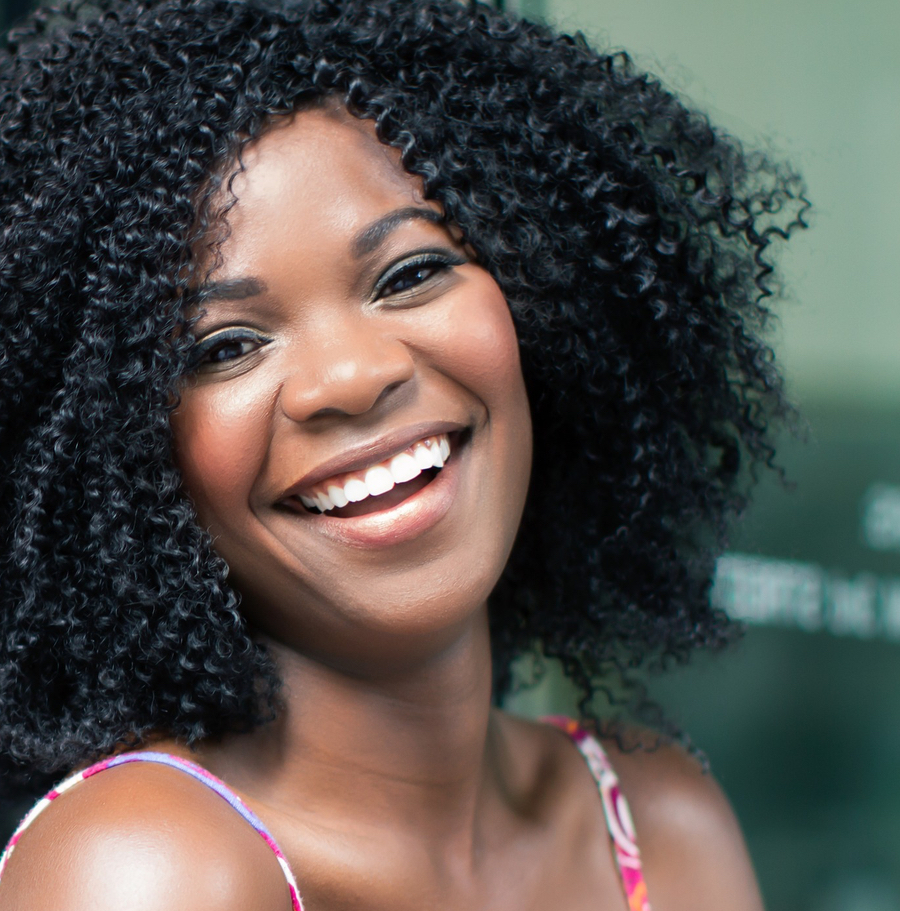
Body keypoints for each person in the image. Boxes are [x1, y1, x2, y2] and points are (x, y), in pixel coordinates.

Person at [0, 0, 806, 907]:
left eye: (411, 273)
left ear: (549, 303)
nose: (348, 377)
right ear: (118, 457)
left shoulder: (660, 820)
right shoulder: (148, 870)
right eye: (224, 345)